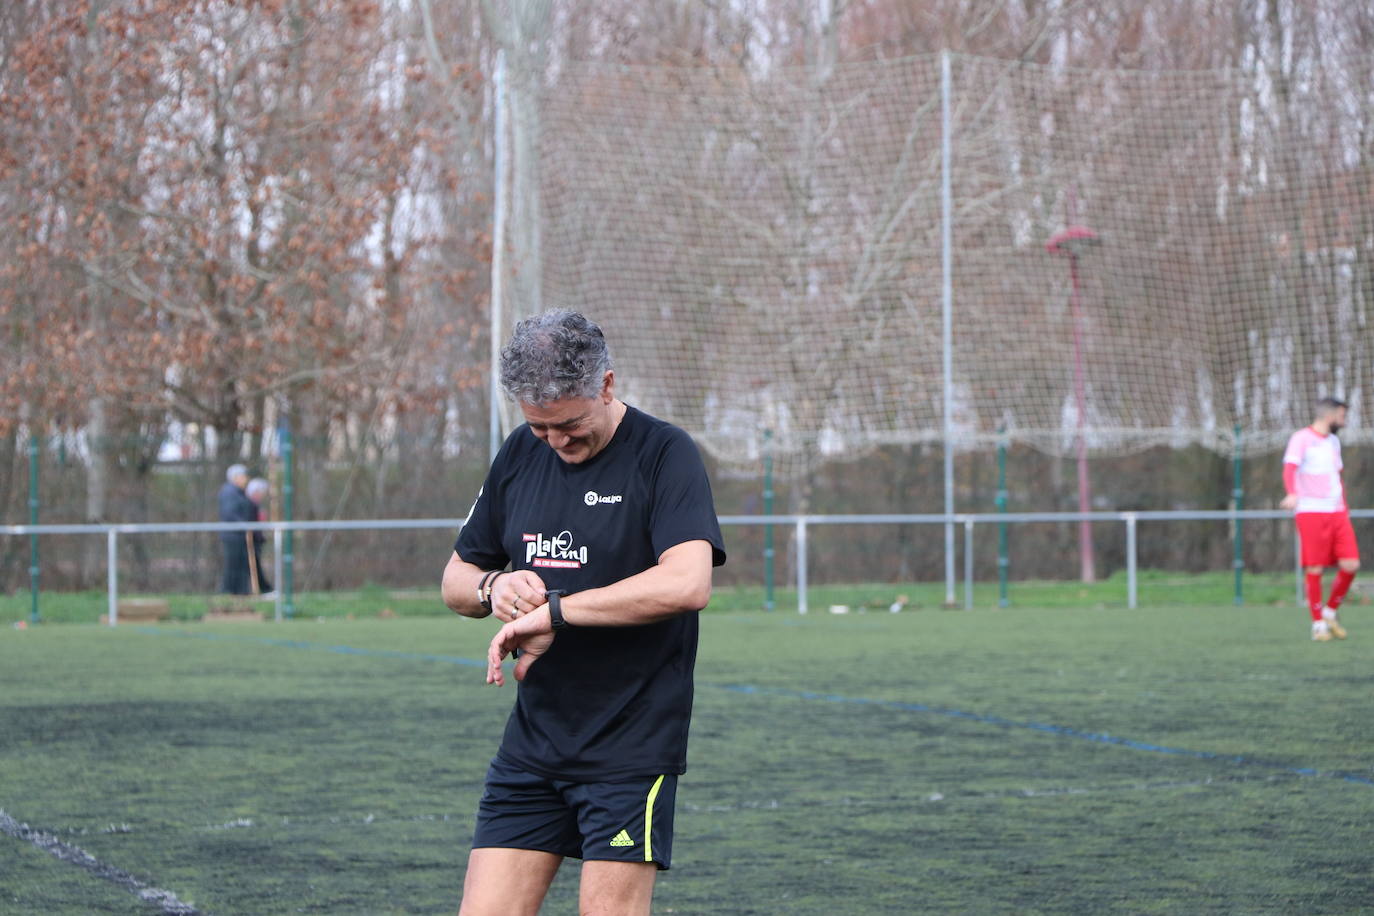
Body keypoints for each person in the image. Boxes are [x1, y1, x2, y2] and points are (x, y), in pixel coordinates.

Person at [441, 309, 726, 916]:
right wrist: (496, 587)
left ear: (606, 385)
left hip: (630, 747)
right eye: (541, 428)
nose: (557, 443)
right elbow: (455, 580)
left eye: (569, 425)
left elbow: (687, 582)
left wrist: (554, 613)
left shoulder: (664, 453)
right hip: (532, 746)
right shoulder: (520, 452)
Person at [1282, 397, 1359, 641]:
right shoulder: (1301, 438)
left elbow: (1338, 477)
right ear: (1330, 415)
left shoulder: (1334, 442)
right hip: (1311, 510)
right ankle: (1318, 626)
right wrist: (1292, 493)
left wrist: (1344, 507)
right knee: (1315, 567)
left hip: (1337, 513)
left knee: (1351, 564)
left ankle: (1329, 612)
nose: (1343, 421)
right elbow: (1290, 468)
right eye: (1342, 416)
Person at [217, 464, 259, 595]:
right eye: (243, 476)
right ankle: (228, 593)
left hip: (240, 535)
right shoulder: (229, 492)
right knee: (232, 566)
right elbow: (229, 513)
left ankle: (241, 593)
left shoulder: (239, 492)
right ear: (235, 477)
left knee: (241, 566)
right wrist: (244, 525)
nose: (246, 479)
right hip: (233, 535)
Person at [245, 477, 273, 595]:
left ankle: (264, 589)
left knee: (256, 564)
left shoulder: (256, 505)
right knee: (253, 565)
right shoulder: (249, 504)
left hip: (257, 539)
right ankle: (263, 589)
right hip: (253, 540)